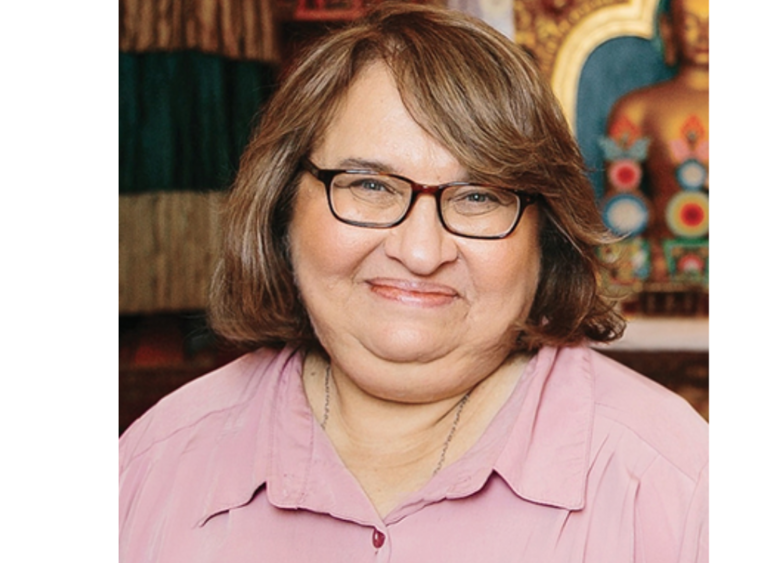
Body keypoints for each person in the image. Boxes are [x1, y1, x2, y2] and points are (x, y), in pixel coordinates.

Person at [119, 4, 708, 562]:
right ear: (281, 208)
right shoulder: (152, 465)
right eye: (370, 186)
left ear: (546, 232)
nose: (421, 252)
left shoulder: (677, 480)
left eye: (479, 196)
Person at [604, 0, 709, 281]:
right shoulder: (636, 108)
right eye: (689, 23)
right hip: (660, 256)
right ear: (668, 28)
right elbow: (621, 203)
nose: (705, 35)